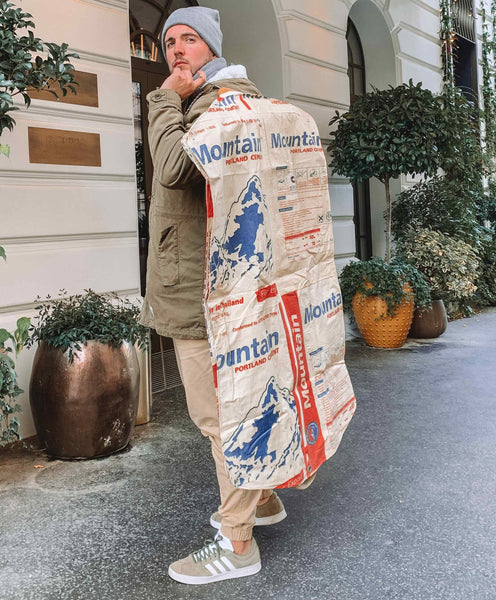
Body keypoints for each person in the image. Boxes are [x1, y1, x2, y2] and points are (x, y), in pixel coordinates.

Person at [141, 6, 315, 585]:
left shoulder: (216, 105)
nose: (177, 51)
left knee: (218, 417)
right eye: (169, 42)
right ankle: (261, 501)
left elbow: (170, 167)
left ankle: (236, 543)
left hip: (203, 288)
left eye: (189, 40)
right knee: (239, 403)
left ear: (212, 48)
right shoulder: (216, 101)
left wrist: (161, 98)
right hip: (217, 278)